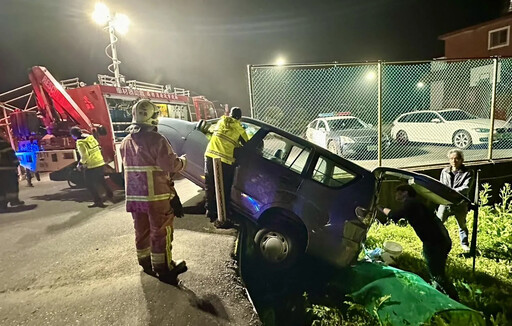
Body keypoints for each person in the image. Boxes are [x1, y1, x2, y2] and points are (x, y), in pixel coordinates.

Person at [120, 99, 188, 285]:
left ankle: (145, 262)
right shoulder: (157, 140)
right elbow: (170, 165)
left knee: (141, 230)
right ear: (154, 117)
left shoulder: (126, 142)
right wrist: (183, 161)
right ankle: (164, 268)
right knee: (160, 232)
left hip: (134, 198)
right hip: (156, 197)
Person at [377, 184, 459, 300]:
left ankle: (453, 299)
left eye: (398, 192)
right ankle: (438, 296)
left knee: (437, 274)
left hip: (434, 242)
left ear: (405, 193)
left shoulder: (410, 203)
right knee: (436, 272)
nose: (395, 195)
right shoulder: (415, 203)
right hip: (440, 239)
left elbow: (394, 215)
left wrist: (380, 208)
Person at [204, 107, 249, 224]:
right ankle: (224, 212)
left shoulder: (220, 121)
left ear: (229, 114)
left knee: (210, 184)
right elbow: (247, 145)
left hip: (209, 155)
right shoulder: (239, 128)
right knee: (224, 187)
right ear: (239, 118)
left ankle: (210, 211)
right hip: (225, 161)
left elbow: (211, 133)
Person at [437, 149, 473, 252]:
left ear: (462, 160)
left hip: (460, 203)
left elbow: (466, 188)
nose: (454, 161)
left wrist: (451, 192)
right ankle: (439, 242)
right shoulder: (445, 171)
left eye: (456, 158)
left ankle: (465, 244)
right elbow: (440, 185)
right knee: (438, 223)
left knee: (462, 225)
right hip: (445, 203)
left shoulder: (468, 172)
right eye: (452, 159)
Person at [70, 126, 113, 208]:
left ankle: (98, 201)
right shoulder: (90, 137)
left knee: (89, 184)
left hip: (91, 165)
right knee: (101, 180)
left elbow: (84, 156)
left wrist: (80, 164)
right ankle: (110, 194)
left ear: (73, 135)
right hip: (99, 161)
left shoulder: (80, 142)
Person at [0, 136, 24, 211]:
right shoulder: (4, 144)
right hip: (7, 169)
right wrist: (16, 163)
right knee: (11, 186)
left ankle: (2, 205)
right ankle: (14, 200)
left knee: (1, 188)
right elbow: (11, 155)